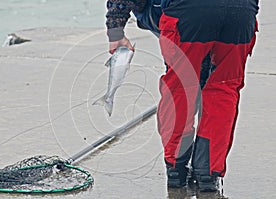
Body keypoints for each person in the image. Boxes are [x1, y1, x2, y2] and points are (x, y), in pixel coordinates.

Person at [105, 0, 259, 192]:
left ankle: (177, 170)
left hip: (187, 12)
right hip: (240, 14)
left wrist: (115, 29)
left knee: (179, 89)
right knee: (224, 89)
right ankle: (208, 175)